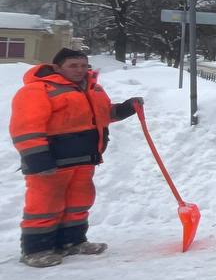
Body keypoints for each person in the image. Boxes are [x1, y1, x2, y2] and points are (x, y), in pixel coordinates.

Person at [9, 48, 141, 268]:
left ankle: (73, 242)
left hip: (84, 158)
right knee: (45, 205)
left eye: (83, 65)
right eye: (73, 66)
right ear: (57, 67)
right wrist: (37, 158)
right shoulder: (37, 90)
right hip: (51, 161)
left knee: (79, 202)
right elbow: (26, 128)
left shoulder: (93, 88)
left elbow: (102, 114)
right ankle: (37, 249)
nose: (80, 70)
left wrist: (125, 109)